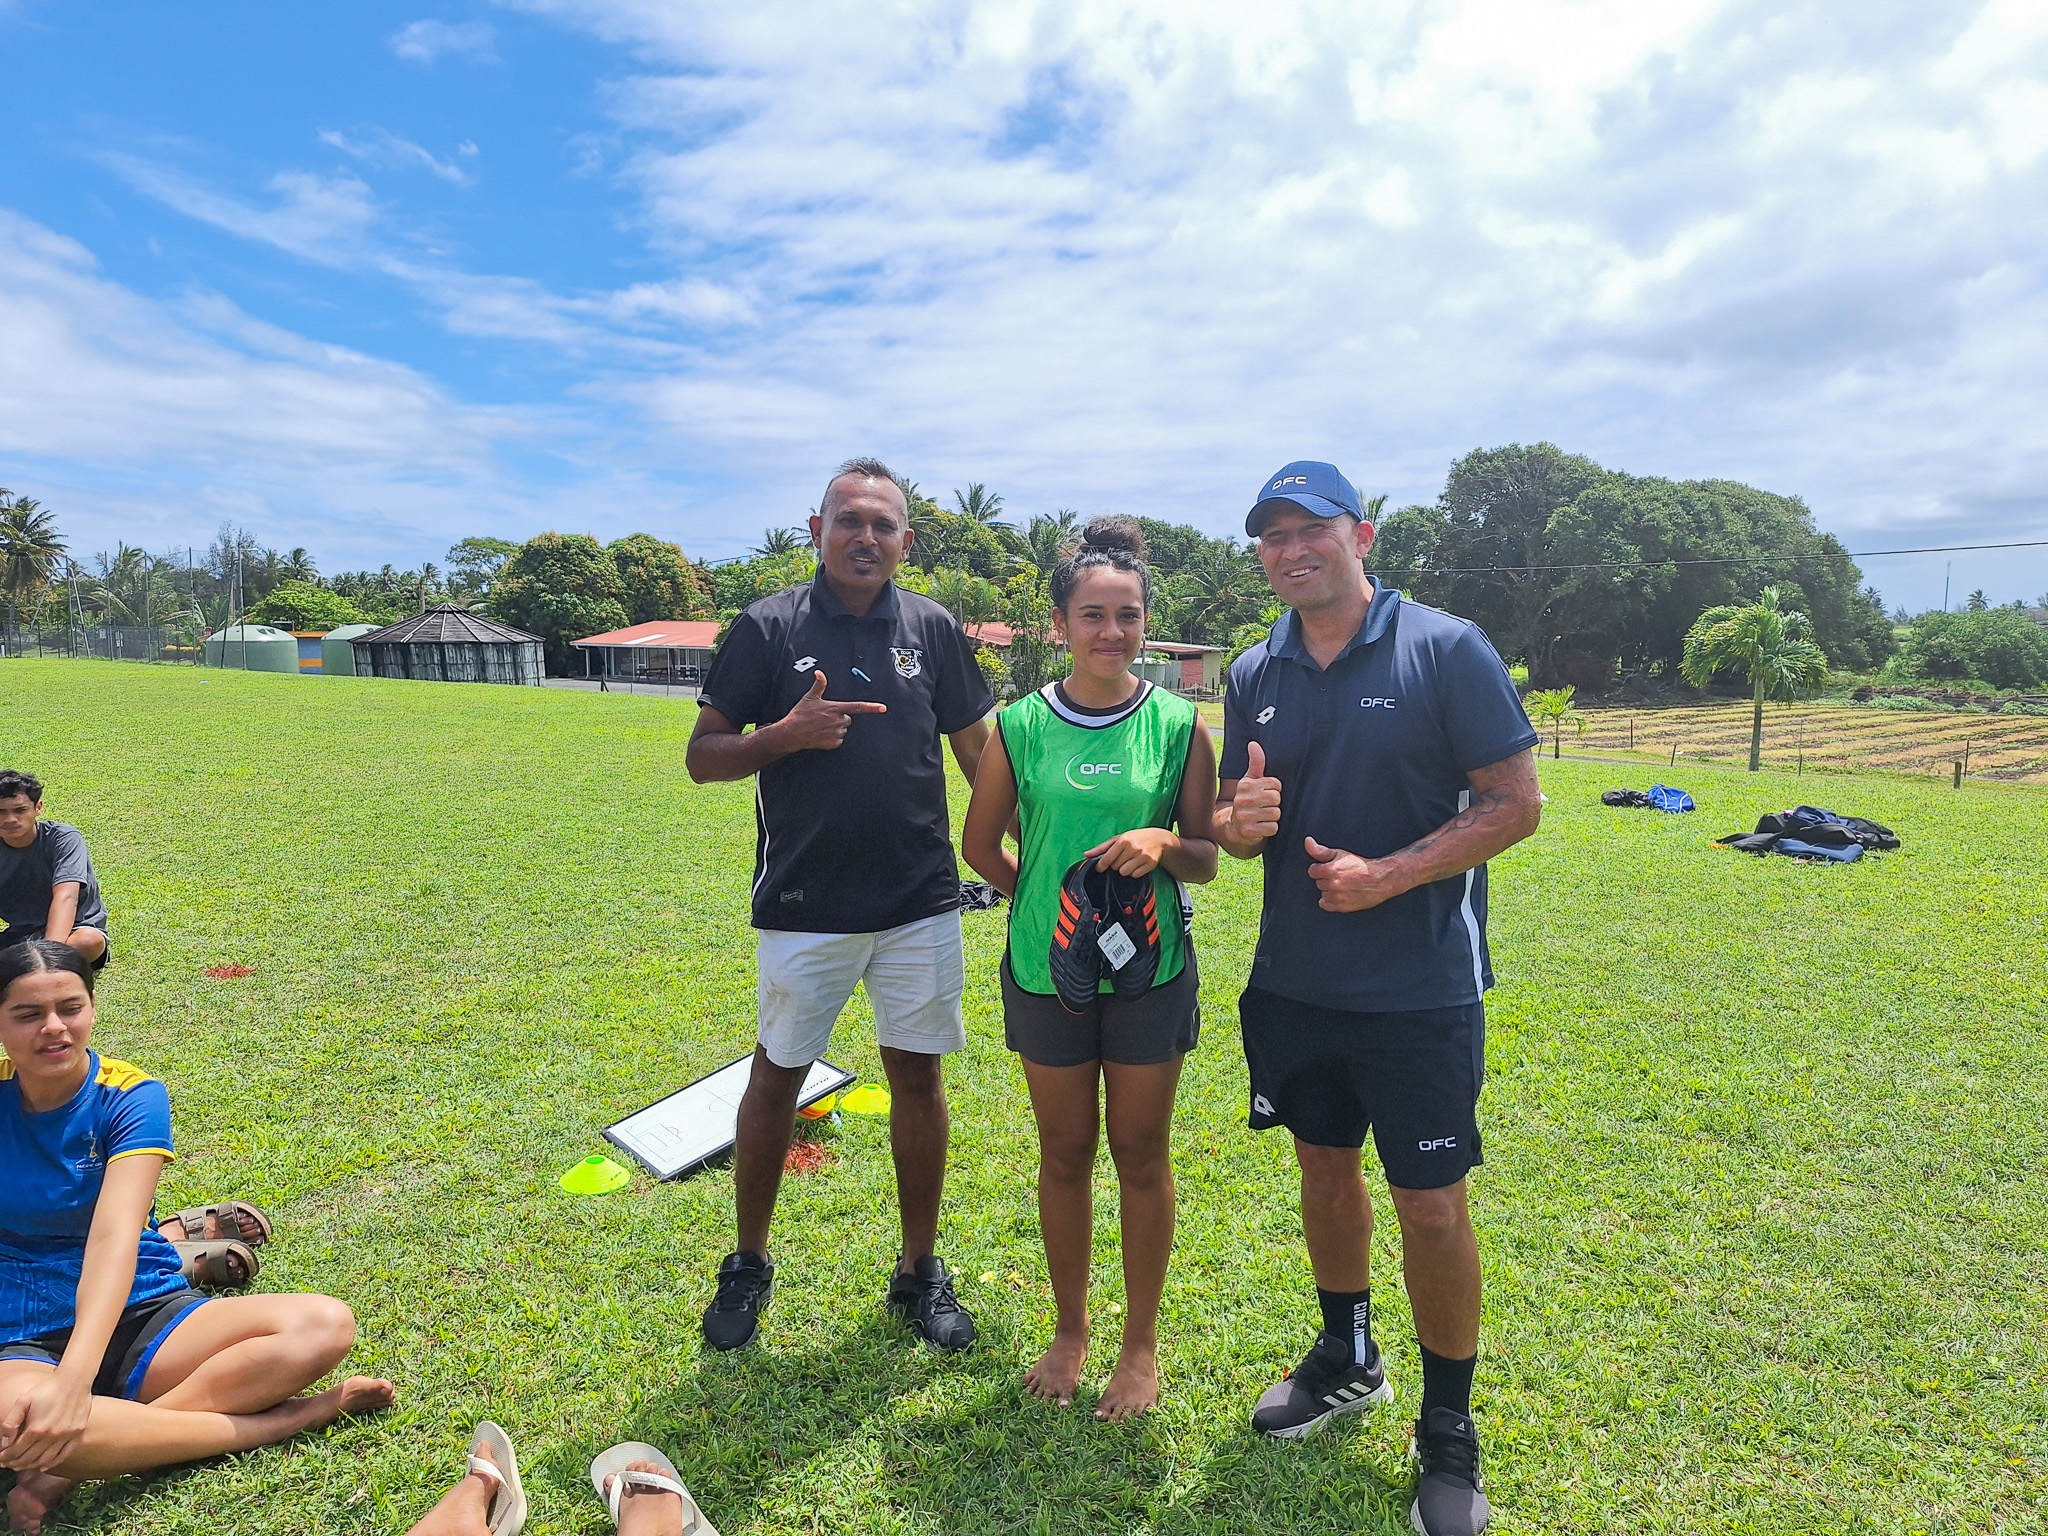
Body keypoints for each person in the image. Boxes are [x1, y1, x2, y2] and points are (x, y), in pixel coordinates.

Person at [1213, 462, 1541, 1536]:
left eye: (1309, 528)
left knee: (1431, 1203)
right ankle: (1344, 1352)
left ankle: (1447, 1430)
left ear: (1361, 534)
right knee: (1320, 1166)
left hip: (1417, 989)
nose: (1288, 548)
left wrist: (1387, 875)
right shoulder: (1252, 666)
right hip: (1295, 981)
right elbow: (1231, 816)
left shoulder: (1444, 647)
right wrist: (1236, 820)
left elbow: (1512, 803)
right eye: (1269, 535)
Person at [686, 457, 995, 1354]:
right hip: (805, 902)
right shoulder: (769, 627)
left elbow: (981, 756)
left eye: (884, 525)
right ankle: (747, 1262)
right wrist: (783, 736)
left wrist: (1029, 849)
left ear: (906, 540)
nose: (866, 537)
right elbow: (704, 755)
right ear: (815, 529)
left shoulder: (934, 630)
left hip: (919, 901)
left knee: (919, 1079)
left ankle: (919, 1269)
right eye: (848, 520)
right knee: (776, 1076)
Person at [0, 941, 394, 1536]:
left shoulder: (130, 1095)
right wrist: (58, 1393)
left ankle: (85, 1458)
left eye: (70, 1007)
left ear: (93, 1007)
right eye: (28, 1014)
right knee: (20, 1425)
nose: (54, 1028)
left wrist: (74, 1385)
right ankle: (287, 1422)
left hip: (140, 1305)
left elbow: (114, 1240)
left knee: (324, 1324)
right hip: (18, 1330)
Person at [961, 518, 1219, 1421]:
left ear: (1147, 621)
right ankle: (1070, 1331)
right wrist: (1041, 907)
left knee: (1141, 1153)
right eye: (1093, 615)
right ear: (1063, 621)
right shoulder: (1021, 726)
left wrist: (1162, 840)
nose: (1112, 632)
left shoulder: (1180, 725)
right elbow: (980, 845)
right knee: (1064, 1152)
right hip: (1047, 974)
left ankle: (1138, 1347)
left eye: (1129, 615)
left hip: (1151, 975)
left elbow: (1206, 857)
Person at [0, 772, 107, 969]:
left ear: (38, 808)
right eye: (1, 812)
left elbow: (66, 897)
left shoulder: (63, 839)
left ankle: (37, 967)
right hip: (18, 937)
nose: (10, 819)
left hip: (72, 933)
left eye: (20, 810)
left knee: (89, 941)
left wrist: (48, 957)